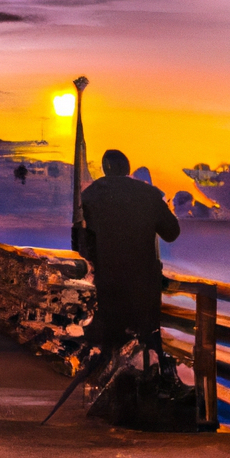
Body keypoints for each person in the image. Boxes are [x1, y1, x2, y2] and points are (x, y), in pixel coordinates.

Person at [79, 149, 180, 353]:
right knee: (146, 345)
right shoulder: (148, 194)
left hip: (106, 283)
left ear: (104, 169)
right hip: (142, 284)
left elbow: (82, 240)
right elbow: (171, 232)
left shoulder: (89, 196)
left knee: (111, 345)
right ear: (127, 168)